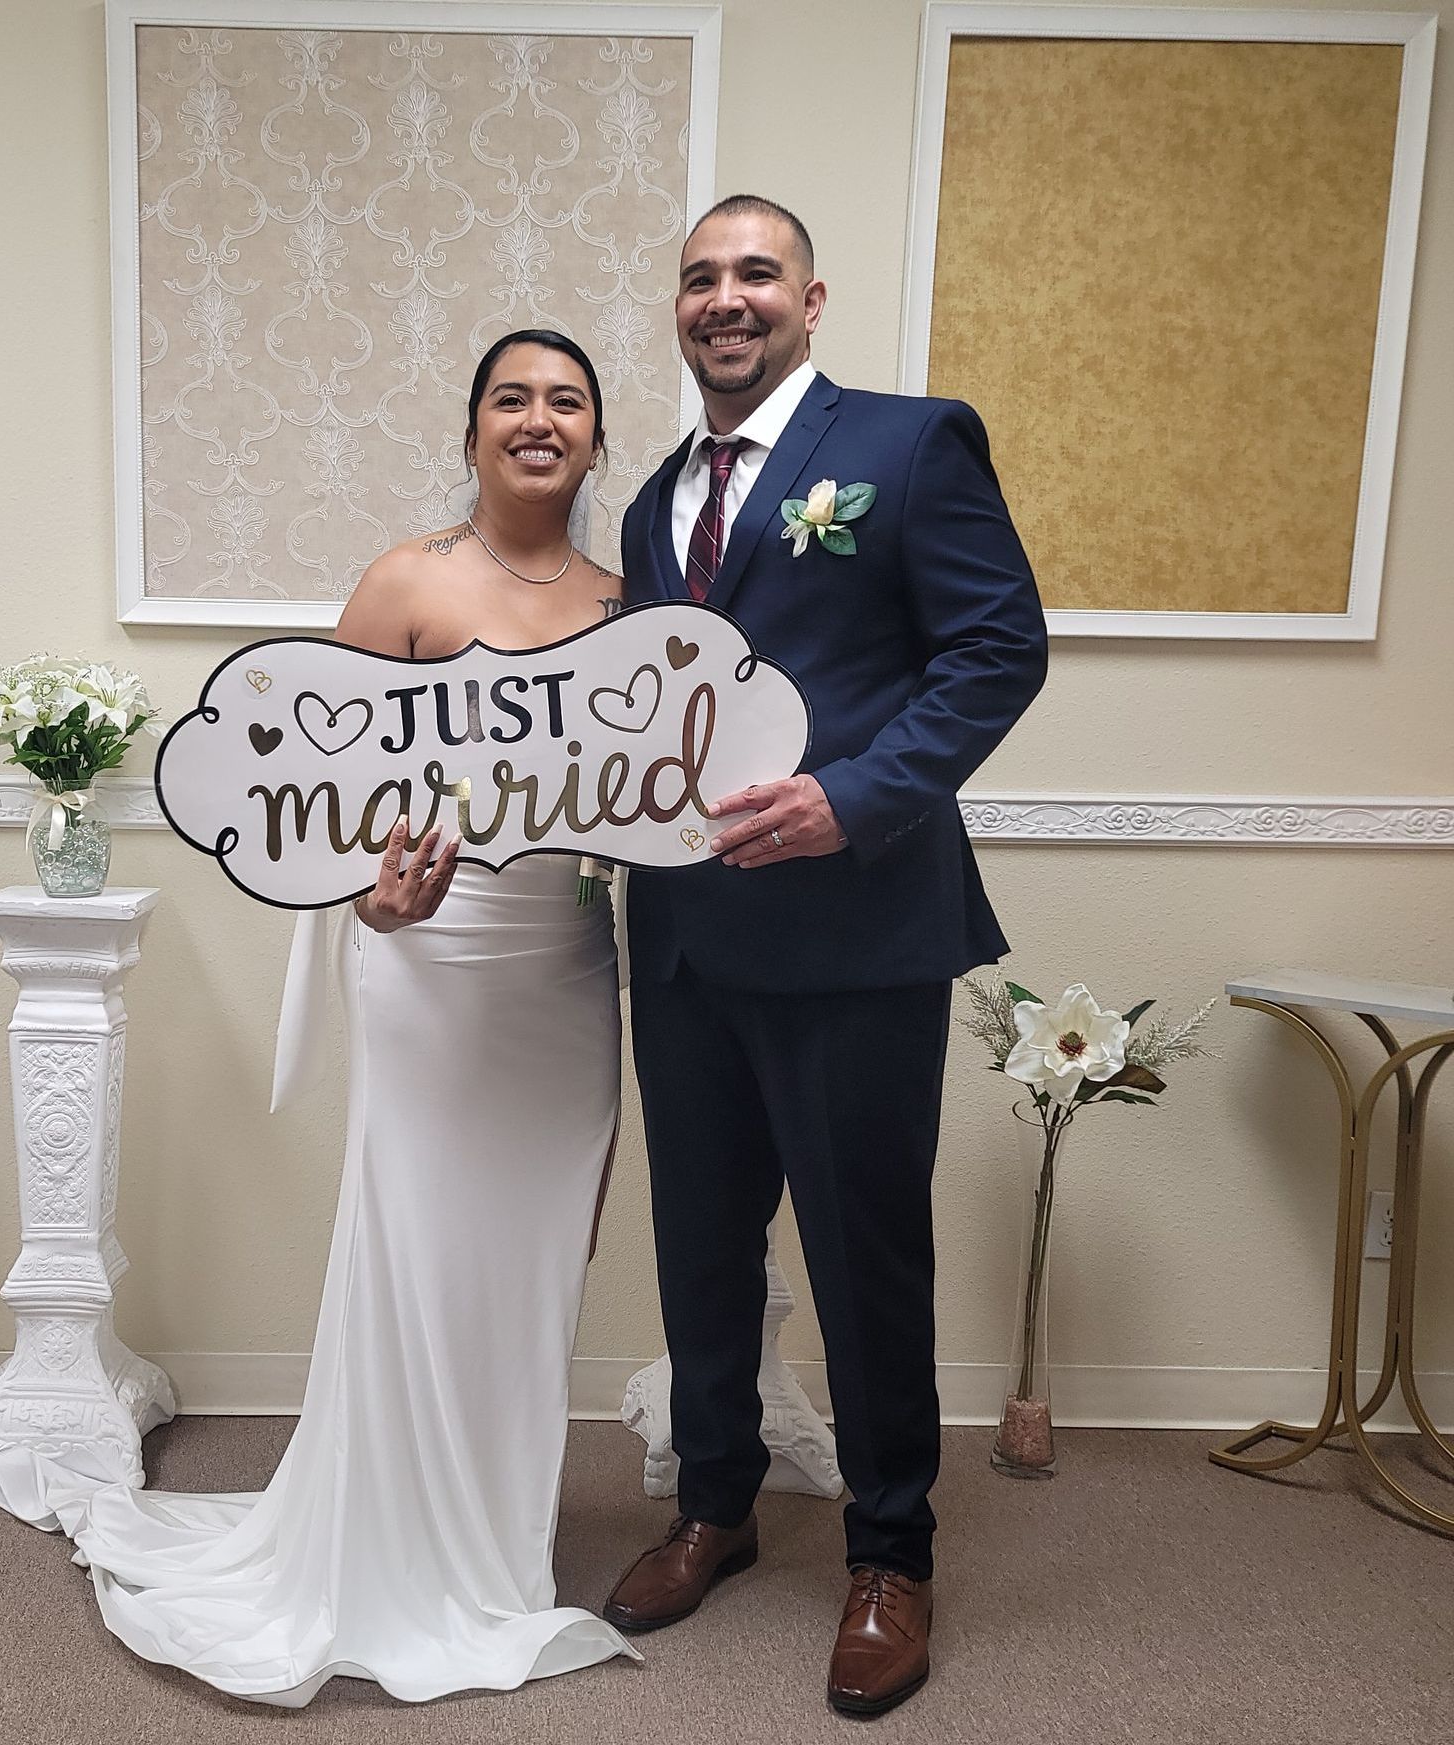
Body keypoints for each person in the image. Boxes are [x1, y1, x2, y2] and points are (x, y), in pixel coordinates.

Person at [47, 331, 639, 1706]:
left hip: (565, 968)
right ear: (473, 430)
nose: (538, 420)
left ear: (598, 441)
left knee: (535, 1257)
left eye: (566, 402)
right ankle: (388, 1547)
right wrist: (374, 904)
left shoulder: (633, 604)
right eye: (511, 399)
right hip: (432, 964)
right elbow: (321, 789)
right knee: (421, 1248)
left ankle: (496, 1549)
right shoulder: (408, 580)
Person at [601, 196, 1047, 1718]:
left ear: (811, 297)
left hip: (858, 936)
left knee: (866, 1258)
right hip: (682, 942)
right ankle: (715, 1500)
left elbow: (1000, 649)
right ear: (680, 308)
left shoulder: (915, 444)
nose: (725, 300)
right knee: (700, 1248)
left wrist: (851, 798)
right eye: (700, 278)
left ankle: (890, 1550)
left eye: (754, 274)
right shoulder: (653, 502)